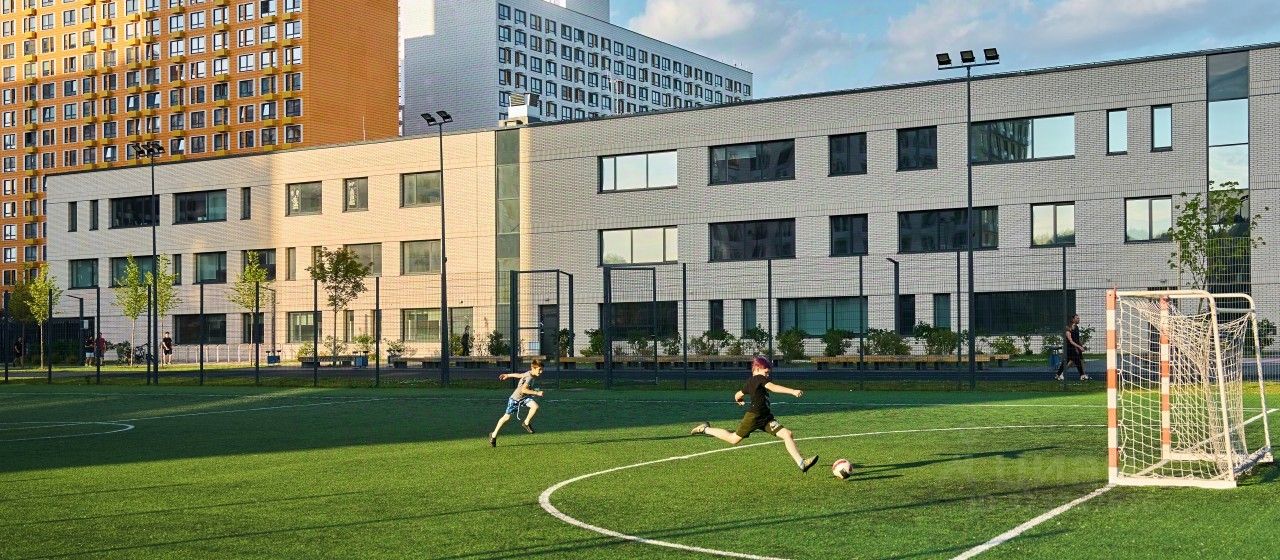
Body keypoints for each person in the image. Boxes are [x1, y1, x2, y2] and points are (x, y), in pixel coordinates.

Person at [690, 356, 820, 473]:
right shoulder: (758, 378)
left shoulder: (752, 381)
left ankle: (801, 463)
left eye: (768, 373)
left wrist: (738, 398)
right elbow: (773, 387)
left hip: (765, 418)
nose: (767, 375)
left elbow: (738, 393)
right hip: (754, 416)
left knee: (787, 434)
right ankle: (705, 429)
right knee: (733, 439)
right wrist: (792, 391)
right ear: (757, 369)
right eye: (766, 372)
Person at [489, 359, 544, 447]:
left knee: (535, 406)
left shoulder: (529, 373)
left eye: (542, 369)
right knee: (506, 418)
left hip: (524, 398)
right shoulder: (529, 377)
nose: (541, 372)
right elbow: (523, 390)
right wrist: (536, 393)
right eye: (539, 369)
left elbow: (519, 375)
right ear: (533, 368)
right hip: (515, 399)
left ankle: (526, 423)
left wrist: (508, 375)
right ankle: (493, 435)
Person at [1055, 314, 1090, 381]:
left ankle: (1058, 375)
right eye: (1077, 318)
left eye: (1079, 318)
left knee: (1071, 361)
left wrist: (1081, 346)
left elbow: (1077, 339)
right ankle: (1082, 375)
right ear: (1073, 319)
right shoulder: (1068, 329)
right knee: (1077, 361)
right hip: (1070, 348)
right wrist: (1079, 347)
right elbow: (1071, 341)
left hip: (1075, 347)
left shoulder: (1076, 327)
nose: (1079, 319)